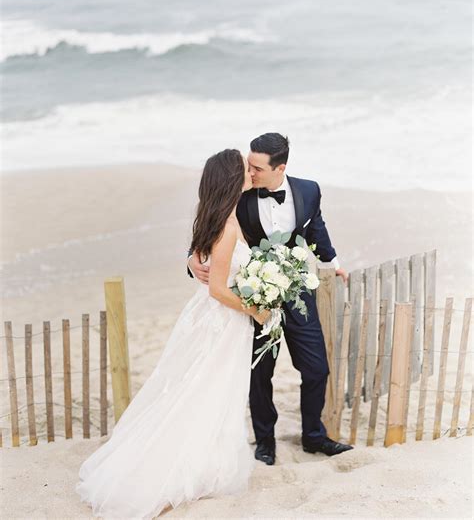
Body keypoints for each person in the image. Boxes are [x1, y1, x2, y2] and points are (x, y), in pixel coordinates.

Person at [76, 149, 270, 519]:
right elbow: (217, 288)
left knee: (204, 389)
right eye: (244, 168)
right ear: (232, 179)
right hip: (222, 320)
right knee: (204, 390)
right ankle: (171, 472)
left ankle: (201, 459)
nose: (250, 171)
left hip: (212, 318)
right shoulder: (227, 227)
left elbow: (209, 265)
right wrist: (256, 309)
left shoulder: (218, 218)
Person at [189, 133, 353, 466]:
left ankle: (314, 437)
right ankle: (265, 441)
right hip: (254, 298)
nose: (249, 172)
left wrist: (332, 262)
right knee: (260, 374)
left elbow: (315, 227)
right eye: (248, 165)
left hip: (296, 294)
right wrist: (192, 258)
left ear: (280, 167)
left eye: (257, 167)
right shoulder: (240, 193)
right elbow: (211, 221)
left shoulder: (309, 190)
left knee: (317, 369)